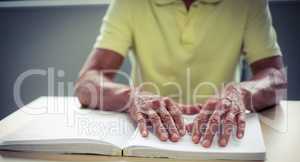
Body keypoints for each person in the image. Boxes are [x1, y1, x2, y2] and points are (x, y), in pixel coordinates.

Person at [75, 0, 287, 148]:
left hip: (222, 133)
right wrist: (132, 97)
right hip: (149, 135)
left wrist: (240, 94)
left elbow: (275, 76)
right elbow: (88, 80)